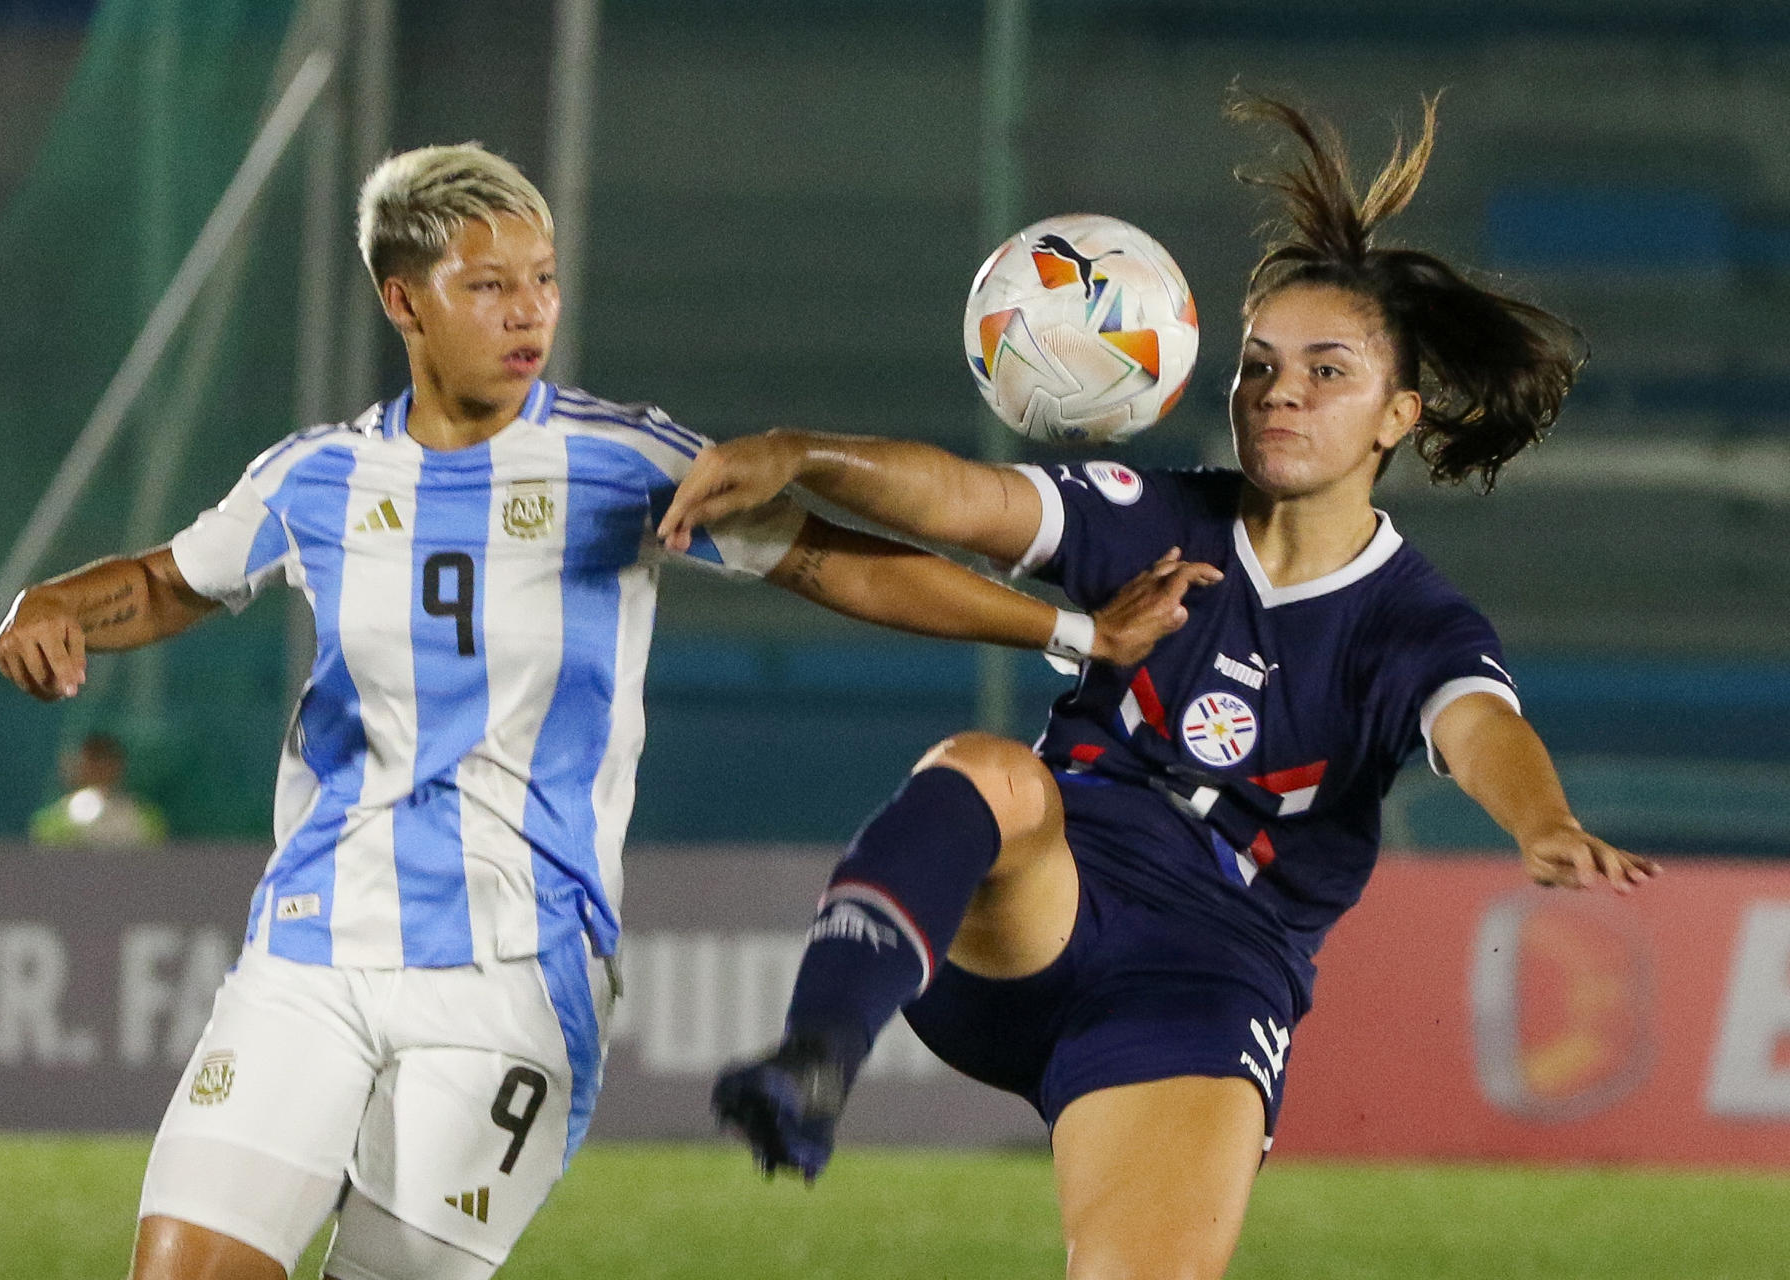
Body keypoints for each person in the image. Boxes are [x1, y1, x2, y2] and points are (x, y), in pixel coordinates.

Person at [0, 145, 1194, 1280]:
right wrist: (53, 603)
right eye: (490, 285)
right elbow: (165, 580)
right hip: (311, 946)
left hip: (515, 975)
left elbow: (835, 562)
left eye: (545, 282)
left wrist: (1074, 631)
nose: (529, 311)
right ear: (404, 303)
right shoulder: (315, 476)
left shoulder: (624, 461)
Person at [659, 95, 1660, 1280]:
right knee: (987, 770)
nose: (1279, 393)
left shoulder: (1412, 620)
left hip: (1204, 984)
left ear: (1400, 414)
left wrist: (1541, 821)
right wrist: (802, 451)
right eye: (1259, 367)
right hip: (1042, 913)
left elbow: (1480, 724)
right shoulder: (1154, 517)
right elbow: (961, 499)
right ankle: (815, 1056)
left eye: (1326, 372)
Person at [29, 730, 168, 848]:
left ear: (119, 766)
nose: (100, 769)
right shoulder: (51, 822)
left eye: (107, 761)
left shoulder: (147, 819)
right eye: (93, 761)